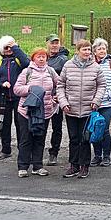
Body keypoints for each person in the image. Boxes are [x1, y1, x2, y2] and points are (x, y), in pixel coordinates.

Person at [57, 39, 104, 179]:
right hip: (70, 109)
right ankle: (73, 165)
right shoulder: (68, 65)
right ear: (77, 51)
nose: (87, 52)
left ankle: (85, 166)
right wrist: (63, 102)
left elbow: (102, 85)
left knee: (85, 139)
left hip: (88, 110)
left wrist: (96, 101)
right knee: (73, 138)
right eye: (84, 49)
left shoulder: (96, 67)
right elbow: (60, 85)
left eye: (89, 50)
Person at [13, 47, 61, 177]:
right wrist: (30, 89)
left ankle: (37, 166)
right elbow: (16, 89)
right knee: (26, 139)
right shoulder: (26, 71)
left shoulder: (50, 71)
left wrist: (56, 97)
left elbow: (60, 84)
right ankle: (23, 166)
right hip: (27, 111)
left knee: (40, 138)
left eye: (43, 56)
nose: (41, 59)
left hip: (45, 111)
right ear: (33, 58)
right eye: (38, 56)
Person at [0, 36, 30, 161]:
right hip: (3, 97)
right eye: (6, 47)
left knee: (21, 124)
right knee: (4, 124)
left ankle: (22, 150)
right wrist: (1, 84)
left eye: (10, 47)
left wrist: (16, 48)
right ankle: (5, 150)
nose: (8, 50)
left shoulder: (19, 58)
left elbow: (27, 64)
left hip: (19, 97)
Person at [90, 38, 111, 167]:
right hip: (93, 103)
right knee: (94, 127)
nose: (102, 51)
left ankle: (106, 156)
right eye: (99, 49)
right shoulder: (90, 63)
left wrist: (107, 95)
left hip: (108, 103)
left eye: (104, 48)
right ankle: (97, 155)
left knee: (104, 128)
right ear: (94, 51)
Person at [45, 34, 70, 166]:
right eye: (52, 43)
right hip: (43, 99)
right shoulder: (42, 57)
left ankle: (54, 153)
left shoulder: (63, 60)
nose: (54, 45)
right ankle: (35, 152)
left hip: (57, 98)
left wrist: (61, 96)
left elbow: (67, 79)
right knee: (40, 126)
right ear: (47, 44)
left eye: (57, 43)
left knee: (57, 126)